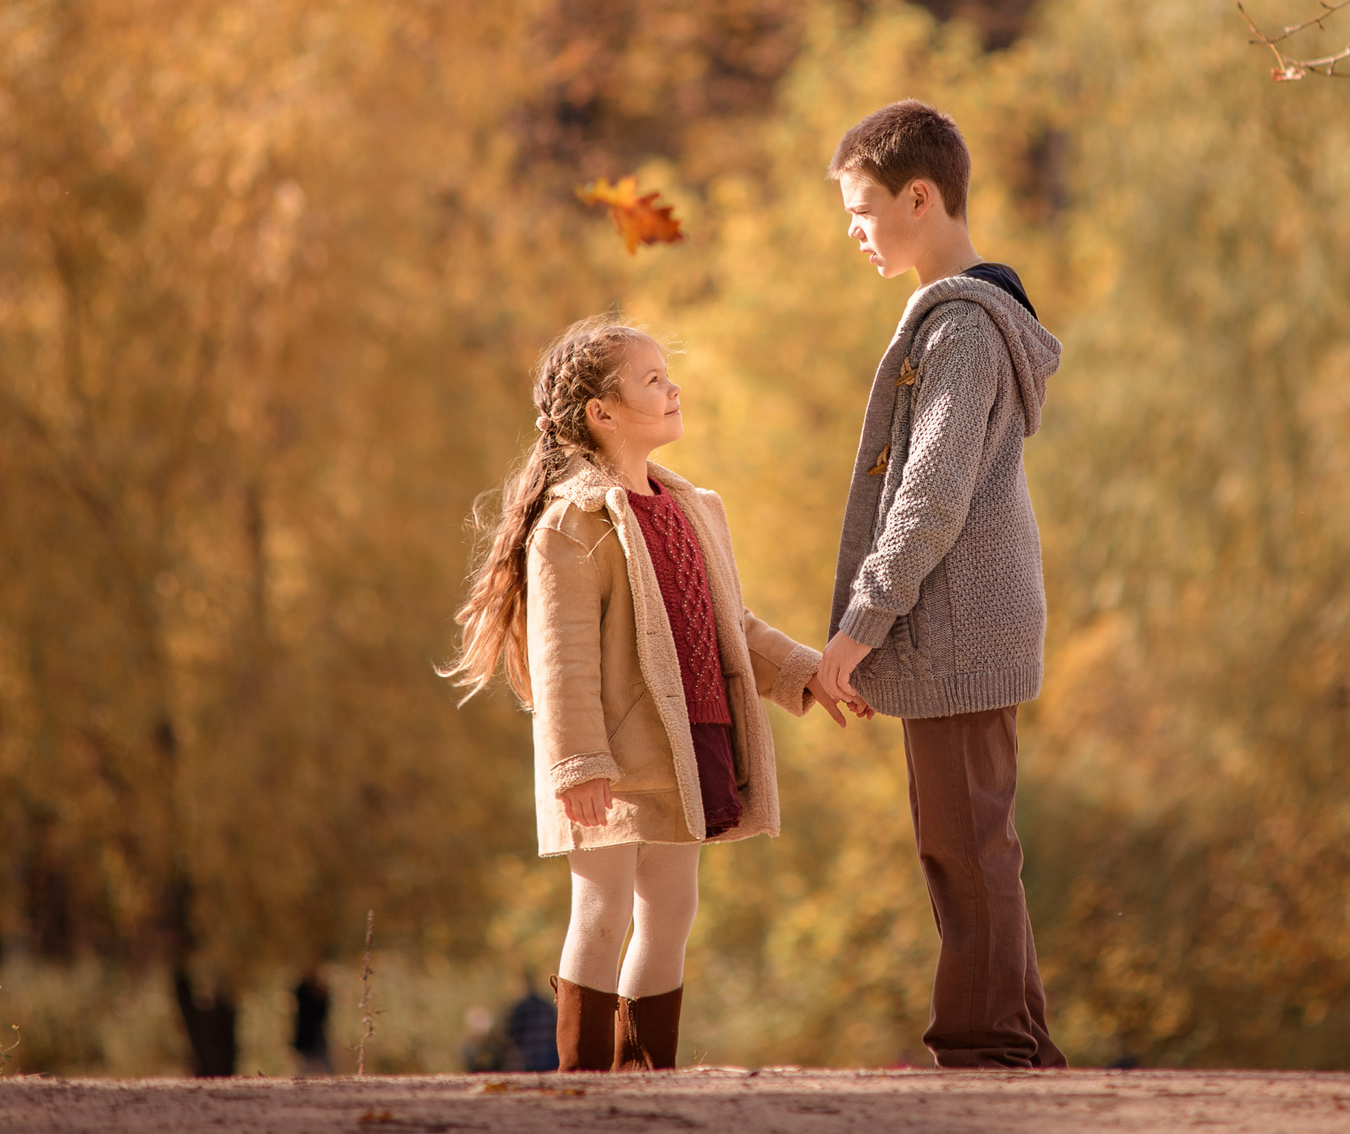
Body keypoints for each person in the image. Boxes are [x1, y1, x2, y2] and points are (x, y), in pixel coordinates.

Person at [443, 317, 857, 1071]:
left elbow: (731, 625)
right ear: (602, 413)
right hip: (607, 754)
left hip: (687, 738)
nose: (674, 389)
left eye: (669, 376)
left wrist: (806, 672)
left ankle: (645, 1079)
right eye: (654, 380)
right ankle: (583, 1082)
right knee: (600, 913)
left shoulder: (692, 505)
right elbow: (563, 655)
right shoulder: (573, 521)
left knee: (669, 912)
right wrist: (578, 763)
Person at [814, 100, 1069, 1069]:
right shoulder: (961, 322)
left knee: (965, 854)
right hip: (963, 629)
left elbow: (928, 501)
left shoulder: (960, 330)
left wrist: (859, 630)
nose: (855, 231)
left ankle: (987, 1052)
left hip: (956, 630)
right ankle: (1017, 1048)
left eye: (864, 208)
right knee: (973, 849)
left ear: (920, 197)